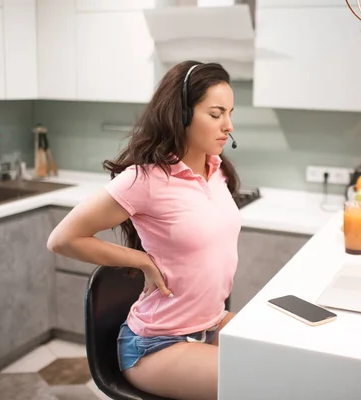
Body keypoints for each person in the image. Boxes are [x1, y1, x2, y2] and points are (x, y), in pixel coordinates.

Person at [47, 60, 241, 400]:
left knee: (287, 358)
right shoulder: (145, 179)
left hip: (212, 323)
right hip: (157, 344)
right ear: (180, 114)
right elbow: (62, 239)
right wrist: (141, 260)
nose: (228, 125)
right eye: (215, 114)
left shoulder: (217, 170)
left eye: (230, 113)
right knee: (259, 382)